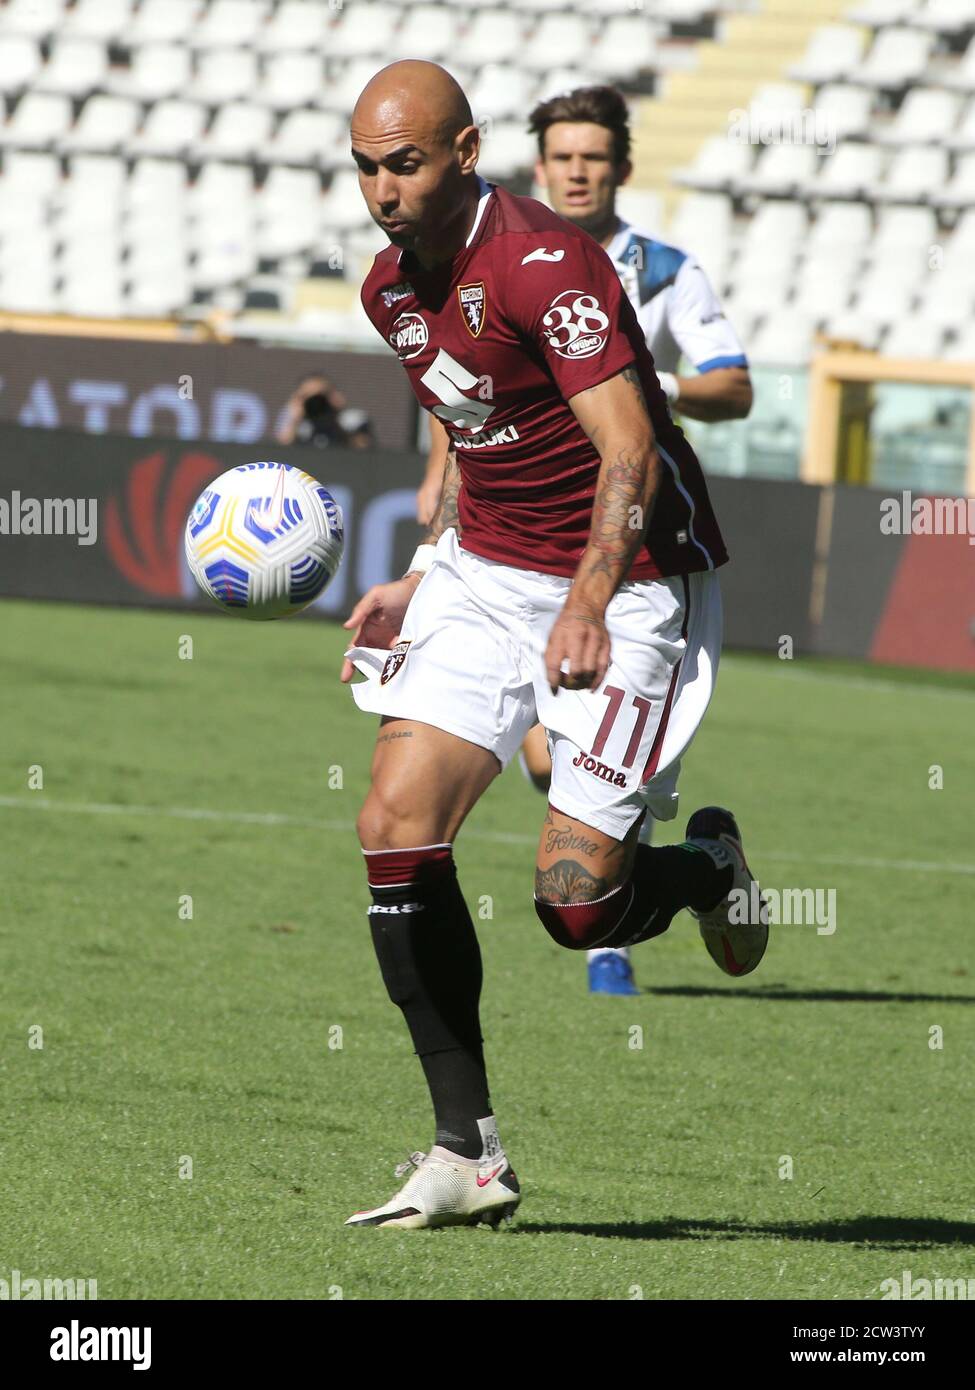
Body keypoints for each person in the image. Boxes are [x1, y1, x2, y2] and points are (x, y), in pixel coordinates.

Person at [340, 60, 767, 1230]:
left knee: (576, 906)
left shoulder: (546, 263)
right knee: (393, 824)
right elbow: (466, 435)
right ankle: (464, 1152)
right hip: (483, 572)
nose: (384, 189)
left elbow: (628, 447)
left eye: (407, 163)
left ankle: (703, 871)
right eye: (368, 166)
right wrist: (419, 575)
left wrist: (585, 598)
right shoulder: (389, 289)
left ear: (467, 153)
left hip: (628, 585)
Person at [416, 85, 754, 996]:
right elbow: (479, 387)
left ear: (620, 171)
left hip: (627, 537)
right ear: (537, 165)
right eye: (562, 156)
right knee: (535, 758)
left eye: (593, 158)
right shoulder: (494, 253)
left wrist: (632, 383)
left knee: (574, 838)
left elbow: (734, 386)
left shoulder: (664, 268)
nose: (576, 171)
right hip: (509, 551)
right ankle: (614, 891)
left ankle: (614, 923)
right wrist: (442, 484)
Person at [276, 372, 374, 449]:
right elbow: (282, 449)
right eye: (308, 396)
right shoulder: (299, 422)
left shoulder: (352, 418)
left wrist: (336, 416)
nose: (316, 402)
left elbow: (363, 448)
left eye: (320, 395)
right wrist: (295, 419)